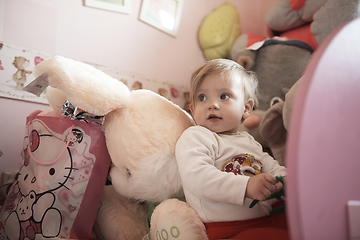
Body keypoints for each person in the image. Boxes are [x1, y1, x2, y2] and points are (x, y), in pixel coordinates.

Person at [175, 59, 289, 240]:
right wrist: (246, 186)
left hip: (266, 219)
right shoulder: (196, 136)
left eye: (224, 96)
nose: (212, 104)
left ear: (246, 108)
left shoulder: (249, 141)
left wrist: (285, 179)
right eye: (202, 98)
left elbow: (272, 167)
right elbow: (198, 178)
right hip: (226, 229)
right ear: (193, 108)